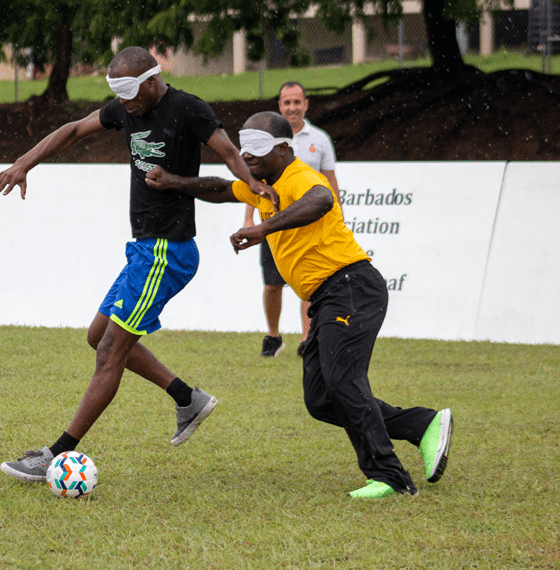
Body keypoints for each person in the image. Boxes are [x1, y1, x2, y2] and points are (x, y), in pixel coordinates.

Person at [0, 46, 277, 482]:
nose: (123, 102)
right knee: (98, 335)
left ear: (152, 80)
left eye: (129, 91)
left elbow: (229, 153)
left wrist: (253, 184)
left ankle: (57, 452)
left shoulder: (187, 109)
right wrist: (25, 162)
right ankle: (186, 398)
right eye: (116, 93)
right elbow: (72, 130)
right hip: (144, 249)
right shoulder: (126, 109)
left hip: (167, 250)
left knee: (109, 352)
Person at [145, 111, 453, 498]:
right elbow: (222, 188)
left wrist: (262, 227)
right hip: (327, 297)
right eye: (245, 148)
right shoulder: (262, 185)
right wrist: (174, 182)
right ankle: (421, 425)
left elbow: (322, 199)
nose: (249, 157)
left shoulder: (300, 176)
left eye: (258, 149)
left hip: (351, 286)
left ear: (284, 148)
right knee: (321, 398)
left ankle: (390, 476)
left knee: (343, 381)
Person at [244, 82, 341, 358]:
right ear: (279, 106)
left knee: (308, 283)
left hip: (309, 224)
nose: (292, 108)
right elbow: (254, 184)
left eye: (297, 102)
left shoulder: (320, 140)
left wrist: (339, 218)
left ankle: (307, 339)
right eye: (287, 103)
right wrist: (250, 220)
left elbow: (331, 184)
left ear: (306, 105)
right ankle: (273, 337)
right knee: (273, 284)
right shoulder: (264, 139)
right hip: (272, 223)